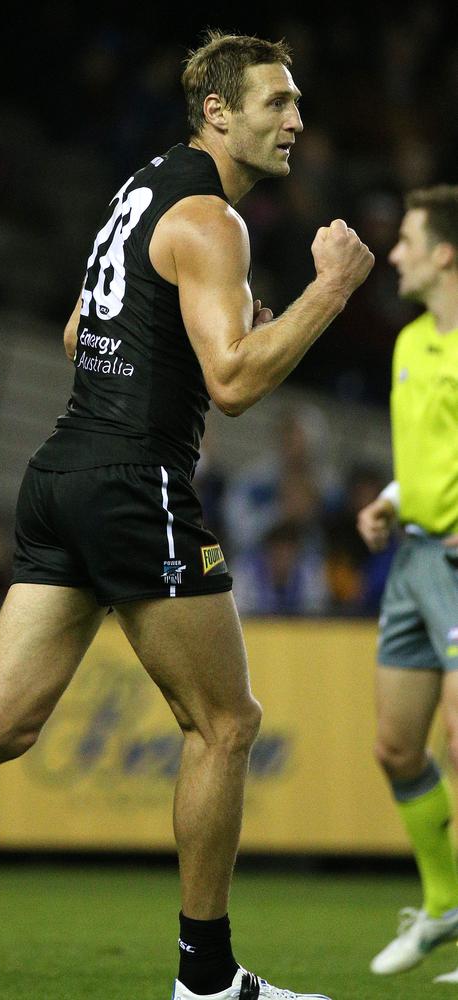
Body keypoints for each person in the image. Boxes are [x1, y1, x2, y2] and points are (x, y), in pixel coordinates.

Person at [0, 31, 374, 1000]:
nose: (295, 120)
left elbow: (82, 330)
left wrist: (192, 322)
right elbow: (233, 383)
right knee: (225, 723)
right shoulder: (211, 219)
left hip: (61, 470)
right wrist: (327, 290)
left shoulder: (140, 190)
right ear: (217, 112)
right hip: (130, 483)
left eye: (294, 102)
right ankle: (204, 981)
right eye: (276, 103)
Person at [356, 185, 458, 983]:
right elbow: (427, 455)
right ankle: (444, 904)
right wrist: (390, 500)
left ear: (445, 253)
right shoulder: (411, 343)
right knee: (398, 747)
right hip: (413, 562)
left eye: (409, 239)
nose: (394, 253)